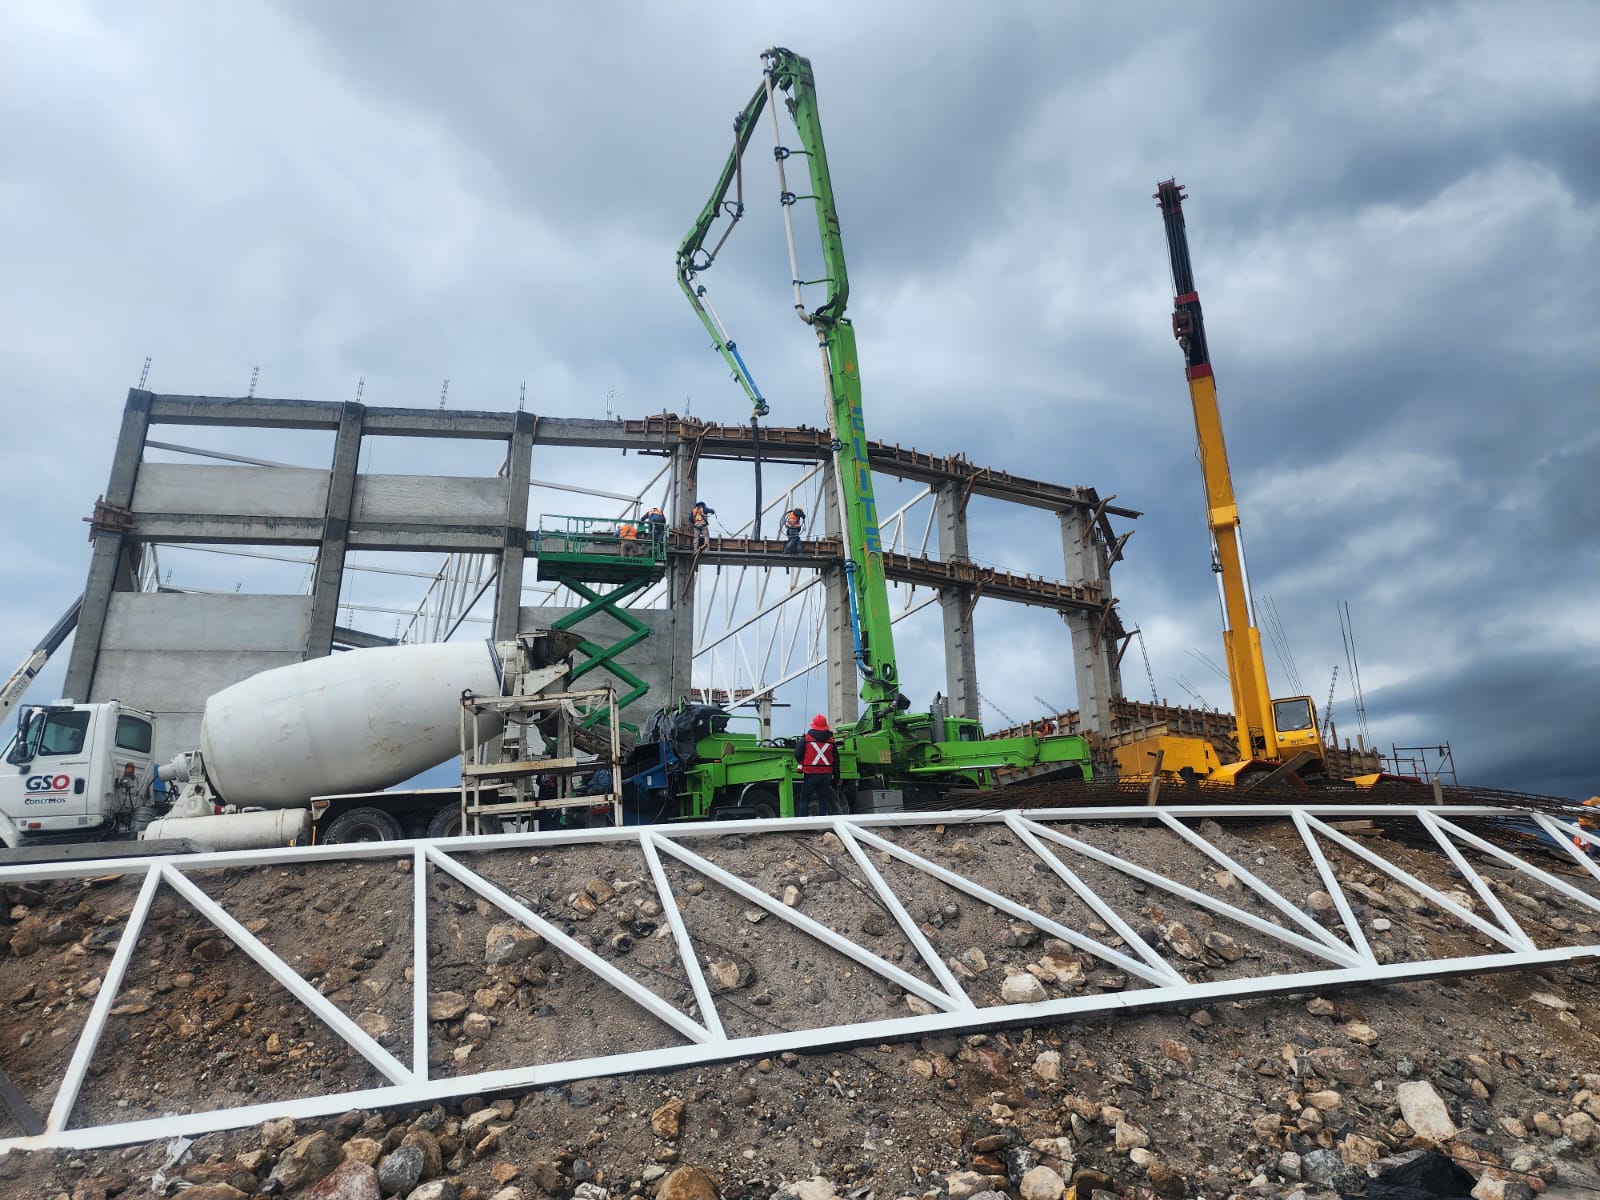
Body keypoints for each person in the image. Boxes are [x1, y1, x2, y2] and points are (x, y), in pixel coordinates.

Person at [794, 713, 839, 817]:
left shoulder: (806, 738)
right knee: (823, 800)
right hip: (826, 776)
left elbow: (797, 754)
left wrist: (802, 762)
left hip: (811, 774)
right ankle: (822, 824)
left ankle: (803, 824)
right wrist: (837, 777)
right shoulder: (831, 741)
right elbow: (836, 761)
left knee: (804, 799)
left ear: (813, 725)